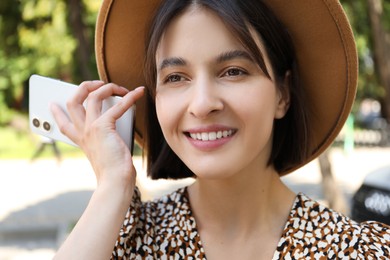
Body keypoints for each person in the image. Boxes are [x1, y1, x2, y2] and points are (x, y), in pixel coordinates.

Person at [51, 0, 390, 259]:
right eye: (175, 77)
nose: (201, 104)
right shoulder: (121, 237)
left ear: (283, 94)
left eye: (233, 71)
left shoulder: (355, 250)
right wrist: (113, 185)